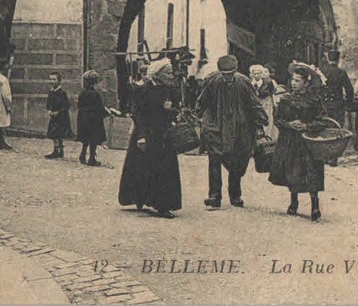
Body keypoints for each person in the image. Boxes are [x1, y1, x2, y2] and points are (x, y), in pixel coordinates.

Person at [196, 53, 268, 209]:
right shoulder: (212, 81)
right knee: (214, 159)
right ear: (219, 71)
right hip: (216, 126)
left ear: (236, 70)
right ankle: (214, 196)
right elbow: (202, 101)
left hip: (238, 127)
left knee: (237, 162)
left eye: (230, 74)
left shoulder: (243, 82)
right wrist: (198, 115)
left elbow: (254, 104)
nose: (227, 77)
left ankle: (235, 195)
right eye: (224, 74)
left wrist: (260, 121)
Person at [118, 59, 182, 218]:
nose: (171, 76)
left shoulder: (170, 90)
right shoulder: (143, 90)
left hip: (164, 135)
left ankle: (162, 205)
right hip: (146, 134)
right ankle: (140, 198)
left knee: (164, 170)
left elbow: (176, 110)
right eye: (168, 73)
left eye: (171, 72)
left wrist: (171, 110)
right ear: (158, 74)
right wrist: (140, 137)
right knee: (142, 168)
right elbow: (137, 114)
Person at [269, 62, 328, 221]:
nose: (293, 84)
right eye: (292, 80)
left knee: (312, 172)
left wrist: (307, 126)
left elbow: (323, 120)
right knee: (292, 171)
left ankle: (315, 205)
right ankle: (293, 201)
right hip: (290, 140)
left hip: (309, 141)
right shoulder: (286, 99)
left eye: (297, 81)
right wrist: (289, 125)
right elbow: (278, 120)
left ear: (306, 83)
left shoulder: (315, 100)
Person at [76, 69, 120, 166]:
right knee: (93, 140)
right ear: (95, 82)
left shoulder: (82, 93)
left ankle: (82, 155)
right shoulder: (96, 94)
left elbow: (79, 105)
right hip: (94, 121)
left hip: (83, 119)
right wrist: (108, 112)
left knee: (85, 139)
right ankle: (92, 159)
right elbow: (99, 108)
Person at [322, 49, 354, 157]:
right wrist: (349, 104)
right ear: (338, 59)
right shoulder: (341, 72)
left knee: (325, 129)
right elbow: (349, 89)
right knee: (337, 129)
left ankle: (325, 155)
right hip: (338, 105)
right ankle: (334, 156)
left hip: (324, 105)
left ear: (328, 58)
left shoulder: (322, 72)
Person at [45, 71, 72, 160]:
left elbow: (66, 105)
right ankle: (56, 150)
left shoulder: (62, 93)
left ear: (59, 81)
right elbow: (48, 103)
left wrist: (58, 112)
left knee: (58, 134)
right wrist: (49, 110)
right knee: (54, 135)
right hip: (53, 117)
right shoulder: (51, 92)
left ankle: (60, 151)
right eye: (50, 79)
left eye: (54, 79)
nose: (52, 81)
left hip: (61, 117)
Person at [250, 63, 279, 143]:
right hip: (255, 103)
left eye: (258, 73)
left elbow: (272, 93)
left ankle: (267, 137)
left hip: (266, 102)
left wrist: (274, 104)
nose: (256, 75)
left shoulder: (268, 82)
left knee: (267, 118)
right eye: (254, 74)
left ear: (261, 73)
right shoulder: (250, 83)